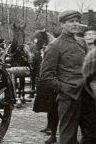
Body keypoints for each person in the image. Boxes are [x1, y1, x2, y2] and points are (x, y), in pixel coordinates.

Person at [40, 10, 96, 144]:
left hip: (87, 96)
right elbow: (46, 76)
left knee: (92, 134)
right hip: (69, 98)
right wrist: (64, 88)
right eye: (71, 21)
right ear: (62, 24)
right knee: (68, 136)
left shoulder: (82, 42)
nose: (75, 24)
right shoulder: (54, 46)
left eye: (77, 21)